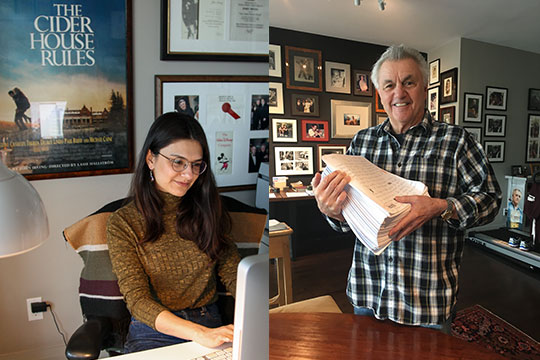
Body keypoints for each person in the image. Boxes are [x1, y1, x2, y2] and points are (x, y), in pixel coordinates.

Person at [311, 44, 501, 334]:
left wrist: (443, 207)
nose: (398, 93)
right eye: (389, 85)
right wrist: (330, 210)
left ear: (424, 87)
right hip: (368, 293)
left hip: (427, 302)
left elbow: (490, 201)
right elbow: (347, 221)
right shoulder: (361, 144)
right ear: (380, 93)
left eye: (408, 82)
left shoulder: (458, 142)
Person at [107, 112, 240, 353]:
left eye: (196, 164)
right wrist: (200, 334)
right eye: (178, 162)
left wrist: (253, 311)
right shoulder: (123, 223)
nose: (189, 175)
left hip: (208, 319)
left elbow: (235, 275)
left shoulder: (210, 210)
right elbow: (137, 300)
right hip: (153, 331)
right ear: (150, 159)